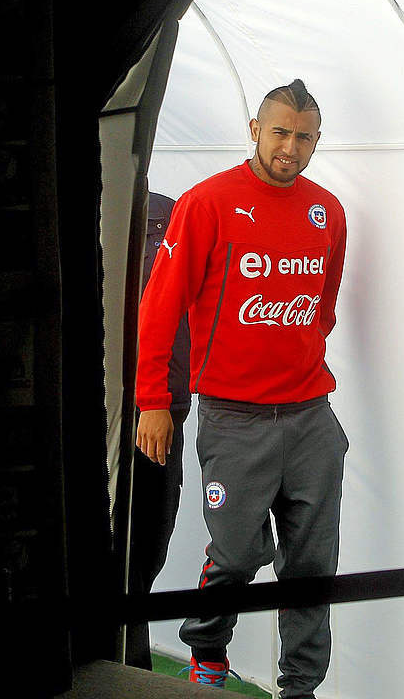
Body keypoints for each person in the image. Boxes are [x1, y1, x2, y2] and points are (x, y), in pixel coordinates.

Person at [134, 79, 348, 699]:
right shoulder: (206, 204)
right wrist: (153, 400)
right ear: (254, 129)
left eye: (304, 136)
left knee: (311, 564)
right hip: (234, 417)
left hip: (310, 414)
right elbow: (160, 306)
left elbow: (324, 302)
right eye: (280, 132)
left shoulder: (327, 210)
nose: (291, 147)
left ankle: (300, 686)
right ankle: (206, 650)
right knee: (235, 555)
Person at [124, 187, 193, 671]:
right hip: (117, 410)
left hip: (158, 413)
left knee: (146, 549)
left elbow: (179, 315)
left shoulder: (169, 214)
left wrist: (163, 402)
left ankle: (131, 665)